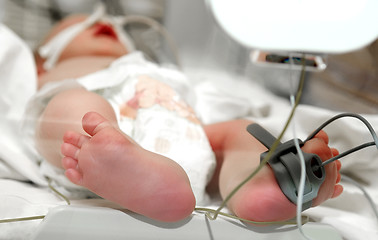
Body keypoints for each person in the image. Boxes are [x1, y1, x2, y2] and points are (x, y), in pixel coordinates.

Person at [31, 14, 343, 223]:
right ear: (41, 63)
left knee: (240, 131)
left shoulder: (154, 70)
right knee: (72, 106)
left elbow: (195, 113)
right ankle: (118, 163)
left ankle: (259, 185)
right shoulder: (54, 72)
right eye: (81, 23)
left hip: (180, 135)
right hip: (93, 145)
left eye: (118, 27)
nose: (105, 21)